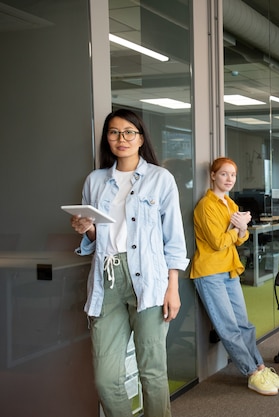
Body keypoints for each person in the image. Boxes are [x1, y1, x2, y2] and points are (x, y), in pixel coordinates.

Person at [70, 108, 189, 417]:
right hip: (106, 279)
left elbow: (173, 238)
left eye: (128, 132)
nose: (120, 138)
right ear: (107, 138)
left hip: (149, 280)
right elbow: (101, 236)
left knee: (151, 373)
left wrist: (172, 287)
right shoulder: (95, 181)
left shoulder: (160, 179)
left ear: (140, 138)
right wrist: (87, 229)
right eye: (113, 132)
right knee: (106, 379)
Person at [190, 157, 279, 396]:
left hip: (229, 269)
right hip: (210, 272)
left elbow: (242, 238)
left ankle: (260, 367)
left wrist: (242, 228)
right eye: (224, 174)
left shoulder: (230, 204)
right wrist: (238, 228)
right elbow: (218, 242)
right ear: (213, 176)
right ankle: (251, 373)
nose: (229, 179)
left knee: (245, 324)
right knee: (229, 327)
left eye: (232, 175)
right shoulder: (206, 205)